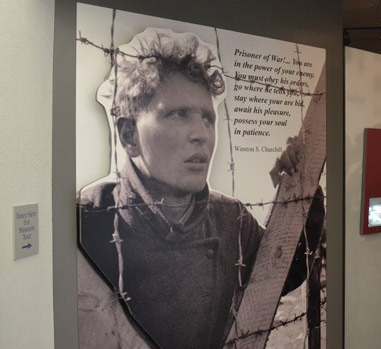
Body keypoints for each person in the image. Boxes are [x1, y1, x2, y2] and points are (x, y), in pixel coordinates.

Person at [77, 28, 322, 349]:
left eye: (207, 118)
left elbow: (282, 272)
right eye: (178, 114)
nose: (200, 134)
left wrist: (303, 191)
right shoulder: (88, 217)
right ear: (128, 134)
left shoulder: (229, 217)